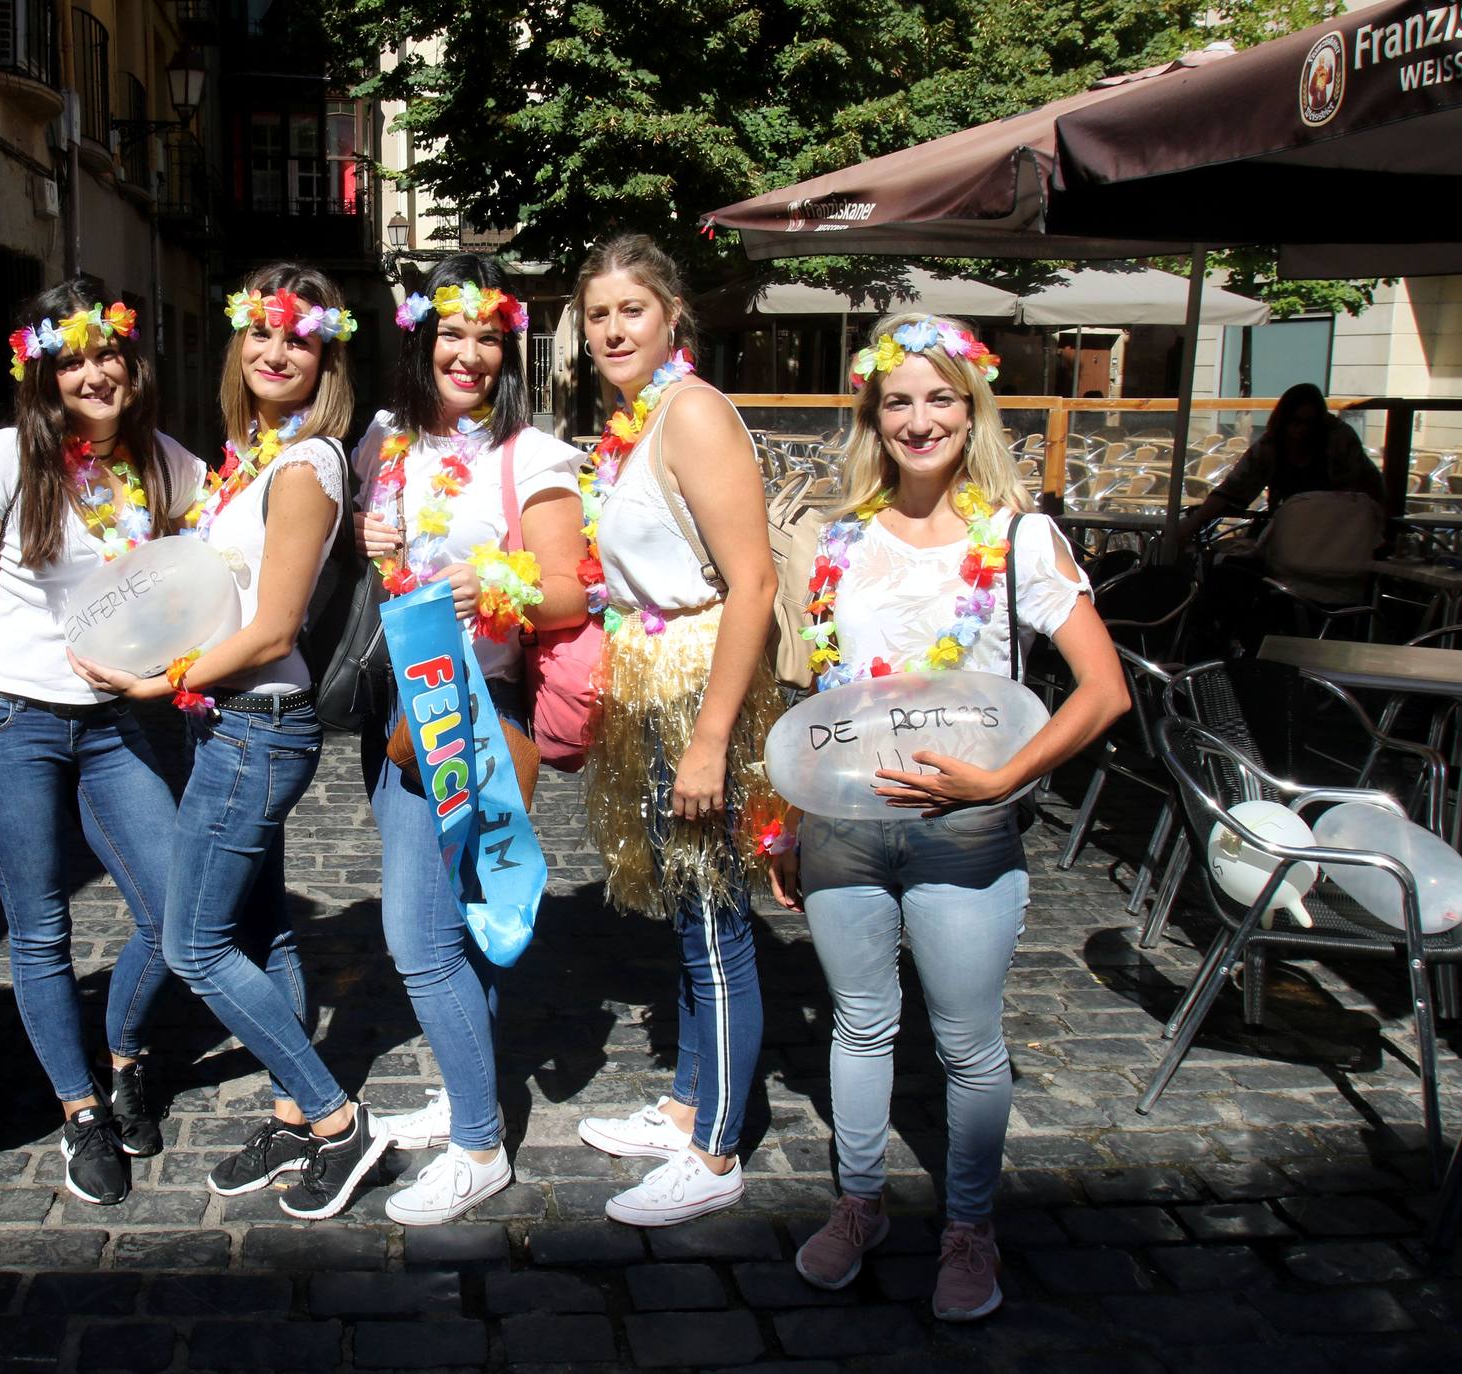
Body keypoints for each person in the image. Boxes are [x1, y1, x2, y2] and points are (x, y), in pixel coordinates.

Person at [770, 312, 1126, 1322]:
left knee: (967, 1044)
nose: (918, 420)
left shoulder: (1018, 538)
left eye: (939, 399)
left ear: (972, 413)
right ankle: (860, 1204)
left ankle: (969, 1229)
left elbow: (1101, 694)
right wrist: (791, 819)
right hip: (846, 830)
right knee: (860, 1026)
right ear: (872, 417)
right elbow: (823, 698)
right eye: (898, 402)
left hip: (967, 837)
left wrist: (1000, 779)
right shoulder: (838, 536)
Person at [71, 264, 388, 1220]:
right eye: (259, 333)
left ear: (325, 353)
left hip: (260, 727)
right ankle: (295, 1110)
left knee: (194, 941)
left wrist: (154, 681)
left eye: (296, 337)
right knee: (264, 929)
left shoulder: (304, 466)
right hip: (236, 726)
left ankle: (337, 1120)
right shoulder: (255, 459)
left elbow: (271, 632)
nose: (274, 351)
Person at [0, 280, 204, 1208]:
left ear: (133, 362)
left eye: (107, 354)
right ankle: (78, 1109)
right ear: (43, 374)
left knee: (177, 909)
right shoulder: (5, 458)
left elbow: (215, 572)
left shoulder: (169, 466)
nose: (93, 375)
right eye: (71, 360)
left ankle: (123, 1053)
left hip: (115, 722)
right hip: (10, 719)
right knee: (39, 926)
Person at [352, 255, 588, 1224]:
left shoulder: (529, 456)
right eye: (453, 332)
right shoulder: (385, 443)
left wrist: (495, 587)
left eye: (488, 335)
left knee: (419, 939)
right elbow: (382, 584)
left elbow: (573, 588)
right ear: (421, 339)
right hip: (395, 709)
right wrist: (378, 551)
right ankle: (469, 1092)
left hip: (477, 710)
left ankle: (479, 1147)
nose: (471, 353)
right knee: (454, 927)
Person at [570, 234, 784, 1227]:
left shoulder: (691, 413)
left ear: (673, 317)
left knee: (713, 917)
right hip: (653, 684)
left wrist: (708, 739)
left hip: (698, 690)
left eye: (631, 309)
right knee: (690, 910)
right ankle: (687, 1099)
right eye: (598, 312)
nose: (612, 328)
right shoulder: (635, 420)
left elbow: (753, 583)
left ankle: (715, 1151)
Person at [1176, 382, 1381, 544]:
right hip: (1290, 533)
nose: (1302, 430)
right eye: (1295, 422)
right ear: (1283, 421)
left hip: (1337, 536)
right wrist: (1193, 523)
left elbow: (1359, 496)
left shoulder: (1340, 441)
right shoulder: (1271, 446)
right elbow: (1233, 488)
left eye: (1310, 423)